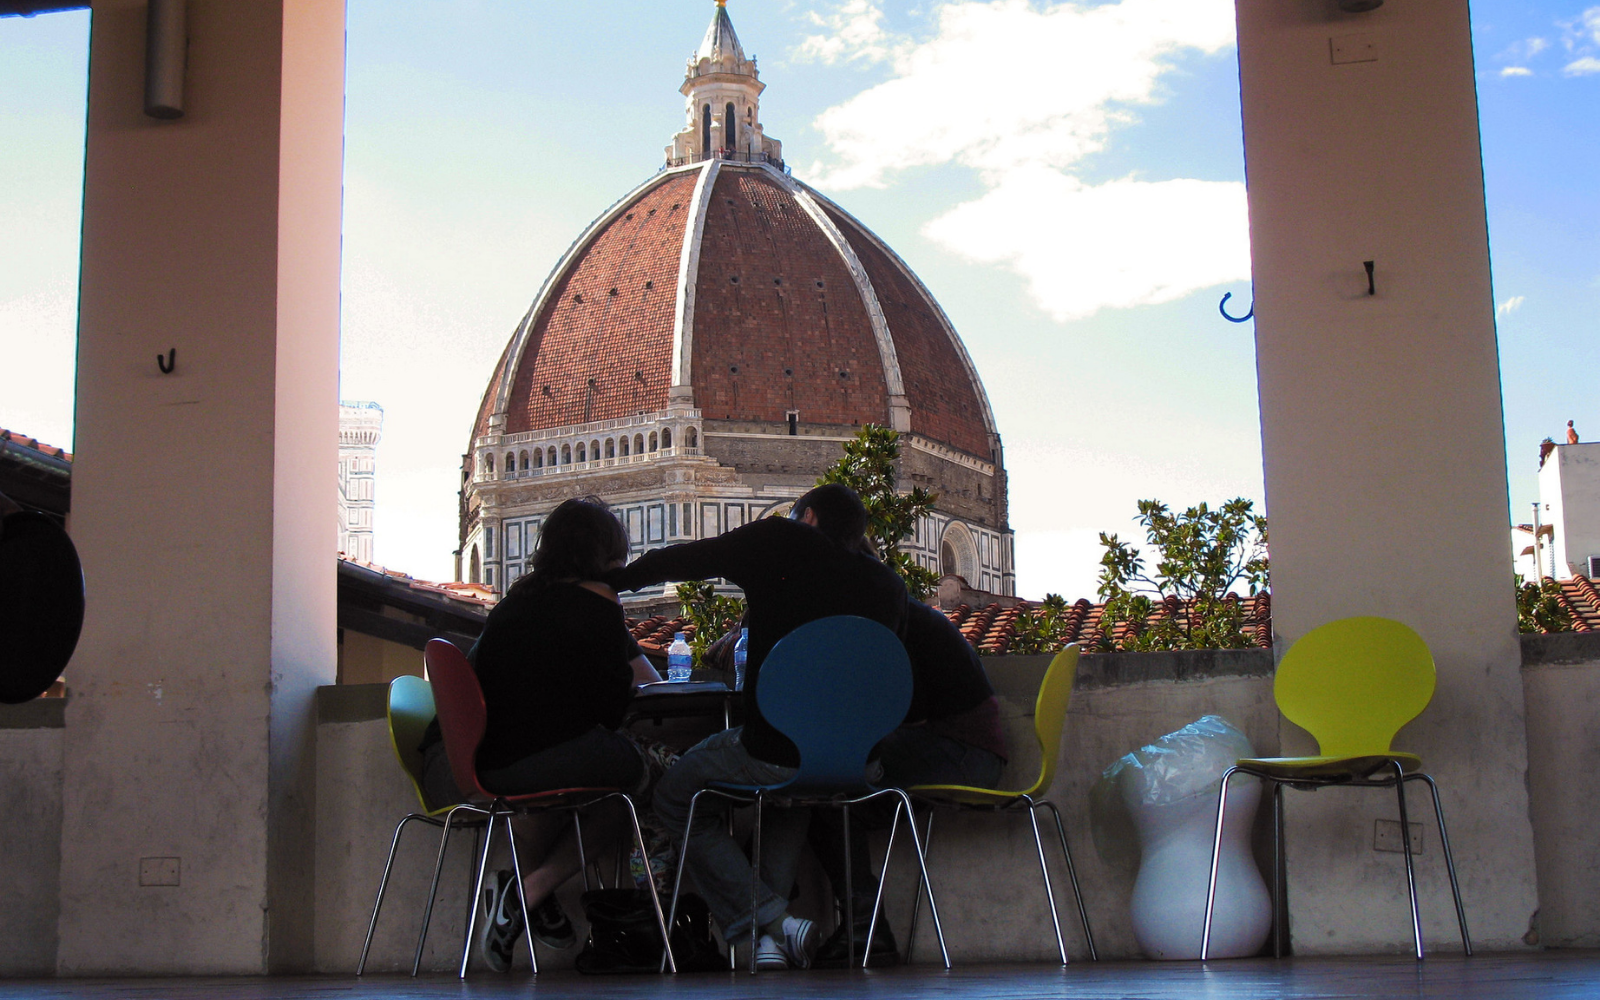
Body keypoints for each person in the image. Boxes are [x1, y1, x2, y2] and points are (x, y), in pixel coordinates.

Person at [610, 483, 909, 970]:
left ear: (807, 518)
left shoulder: (781, 541)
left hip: (774, 749)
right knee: (793, 796)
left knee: (673, 793)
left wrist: (620, 579)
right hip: (861, 763)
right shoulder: (889, 585)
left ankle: (770, 920)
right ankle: (769, 945)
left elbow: (692, 559)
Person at [418, 497, 663, 971]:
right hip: (517, 765)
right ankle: (528, 892)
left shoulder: (515, 603)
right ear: (609, 557)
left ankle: (527, 897)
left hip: (453, 764)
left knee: (556, 793)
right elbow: (618, 706)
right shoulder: (597, 604)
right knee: (633, 784)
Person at [806, 597, 1009, 966]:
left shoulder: (892, 623)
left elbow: (910, 714)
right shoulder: (903, 612)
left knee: (827, 787)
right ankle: (866, 929)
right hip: (968, 752)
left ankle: (864, 928)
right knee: (832, 804)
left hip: (962, 755)